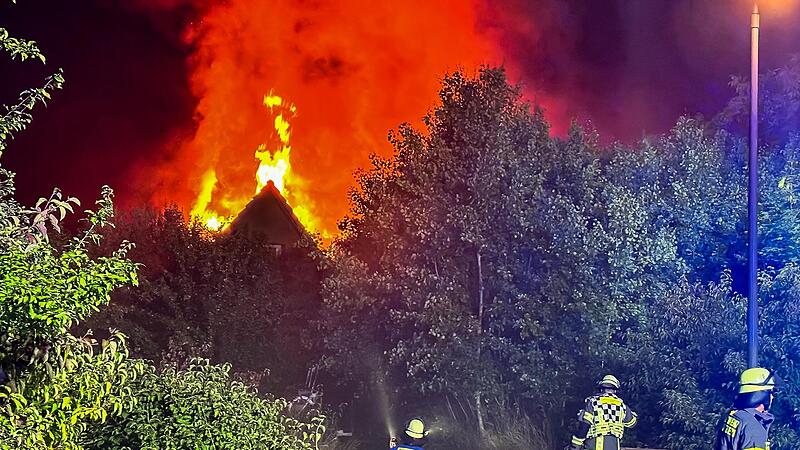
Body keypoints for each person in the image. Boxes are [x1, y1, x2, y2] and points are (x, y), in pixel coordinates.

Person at [714, 367, 779, 450]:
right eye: (772, 393)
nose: (772, 397)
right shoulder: (754, 429)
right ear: (762, 395)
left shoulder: (734, 415)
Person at [570, 374, 637, 450]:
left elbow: (584, 426)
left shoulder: (593, 402)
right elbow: (632, 423)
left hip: (595, 445)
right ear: (615, 390)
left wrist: (575, 445)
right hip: (614, 446)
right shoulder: (622, 406)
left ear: (601, 389)